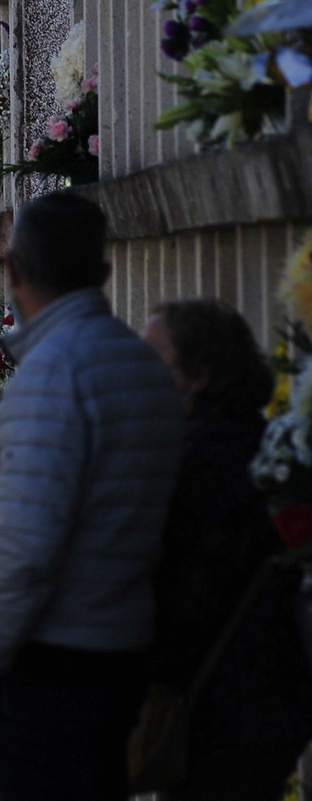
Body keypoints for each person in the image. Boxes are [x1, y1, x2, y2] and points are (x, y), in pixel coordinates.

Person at [0, 191, 184, 801]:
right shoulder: (138, 363)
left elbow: (26, 544)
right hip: (119, 644)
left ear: (13, 271)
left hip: (48, 658)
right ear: (103, 271)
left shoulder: (55, 372)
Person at [143, 299, 312, 799]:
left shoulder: (206, 459)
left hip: (226, 702)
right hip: (264, 699)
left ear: (197, 373)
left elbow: (192, 592)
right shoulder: (256, 442)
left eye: (155, 360)